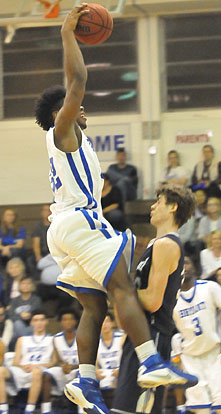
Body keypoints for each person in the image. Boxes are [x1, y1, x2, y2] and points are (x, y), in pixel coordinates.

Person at [35, 6, 197, 414]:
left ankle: (86, 381)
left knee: (94, 305)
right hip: (80, 221)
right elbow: (78, 82)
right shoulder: (63, 131)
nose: (83, 110)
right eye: (75, 107)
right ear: (61, 114)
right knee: (121, 285)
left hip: (63, 229)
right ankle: (152, 361)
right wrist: (68, 35)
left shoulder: (74, 143)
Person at [111, 184, 197, 414]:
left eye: (158, 202)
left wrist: (122, 291)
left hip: (153, 336)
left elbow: (152, 301)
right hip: (141, 337)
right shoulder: (155, 244)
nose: (152, 206)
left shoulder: (166, 244)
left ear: (172, 207)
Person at [173, 268, 221, 414]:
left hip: (214, 352)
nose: (184, 267)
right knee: (201, 409)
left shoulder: (210, 287)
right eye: (180, 264)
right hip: (190, 358)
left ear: (194, 267)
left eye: (186, 262)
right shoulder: (171, 298)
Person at [0, 310, 56, 414]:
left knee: (37, 372)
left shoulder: (52, 339)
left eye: (42, 320)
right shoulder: (22, 339)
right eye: (36, 320)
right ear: (31, 323)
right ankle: (3, 408)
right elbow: (15, 362)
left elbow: (53, 362)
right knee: (1, 371)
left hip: (40, 370)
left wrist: (36, 366)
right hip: (22, 369)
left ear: (46, 321)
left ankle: (29, 409)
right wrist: (22, 366)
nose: (39, 323)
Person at [42, 308, 79, 414]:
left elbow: (88, 360)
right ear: (61, 322)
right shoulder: (56, 338)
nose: (68, 322)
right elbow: (57, 359)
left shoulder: (82, 336)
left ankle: (81, 409)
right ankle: (46, 409)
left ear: (75, 321)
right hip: (64, 369)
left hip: (78, 369)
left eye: (71, 319)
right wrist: (63, 366)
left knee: (81, 374)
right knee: (47, 374)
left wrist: (73, 367)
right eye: (65, 319)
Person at [96, 312, 125, 408]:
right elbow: (94, 364)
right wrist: (97, 373)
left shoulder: (122, 337)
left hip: (122, 369)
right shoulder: (95, 341)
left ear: (112, 323)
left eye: (107, 321)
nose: (104, 325)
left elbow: (129, 356)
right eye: (102, 322)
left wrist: (121, 371)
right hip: (105, 373)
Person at [8, 276, 42, 344]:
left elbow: (38, 313)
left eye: (28, 283)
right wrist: (21, 315)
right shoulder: (14, 301)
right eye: (23, 283)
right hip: (17, 330)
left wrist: (30, 315)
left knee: (34, 327)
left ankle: (25, 345)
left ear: (32, 286)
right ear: (19, 286)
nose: (25, 286)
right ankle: (27, 345)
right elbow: (11, 315)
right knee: (18, 324)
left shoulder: (36, 299)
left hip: (32, 327)